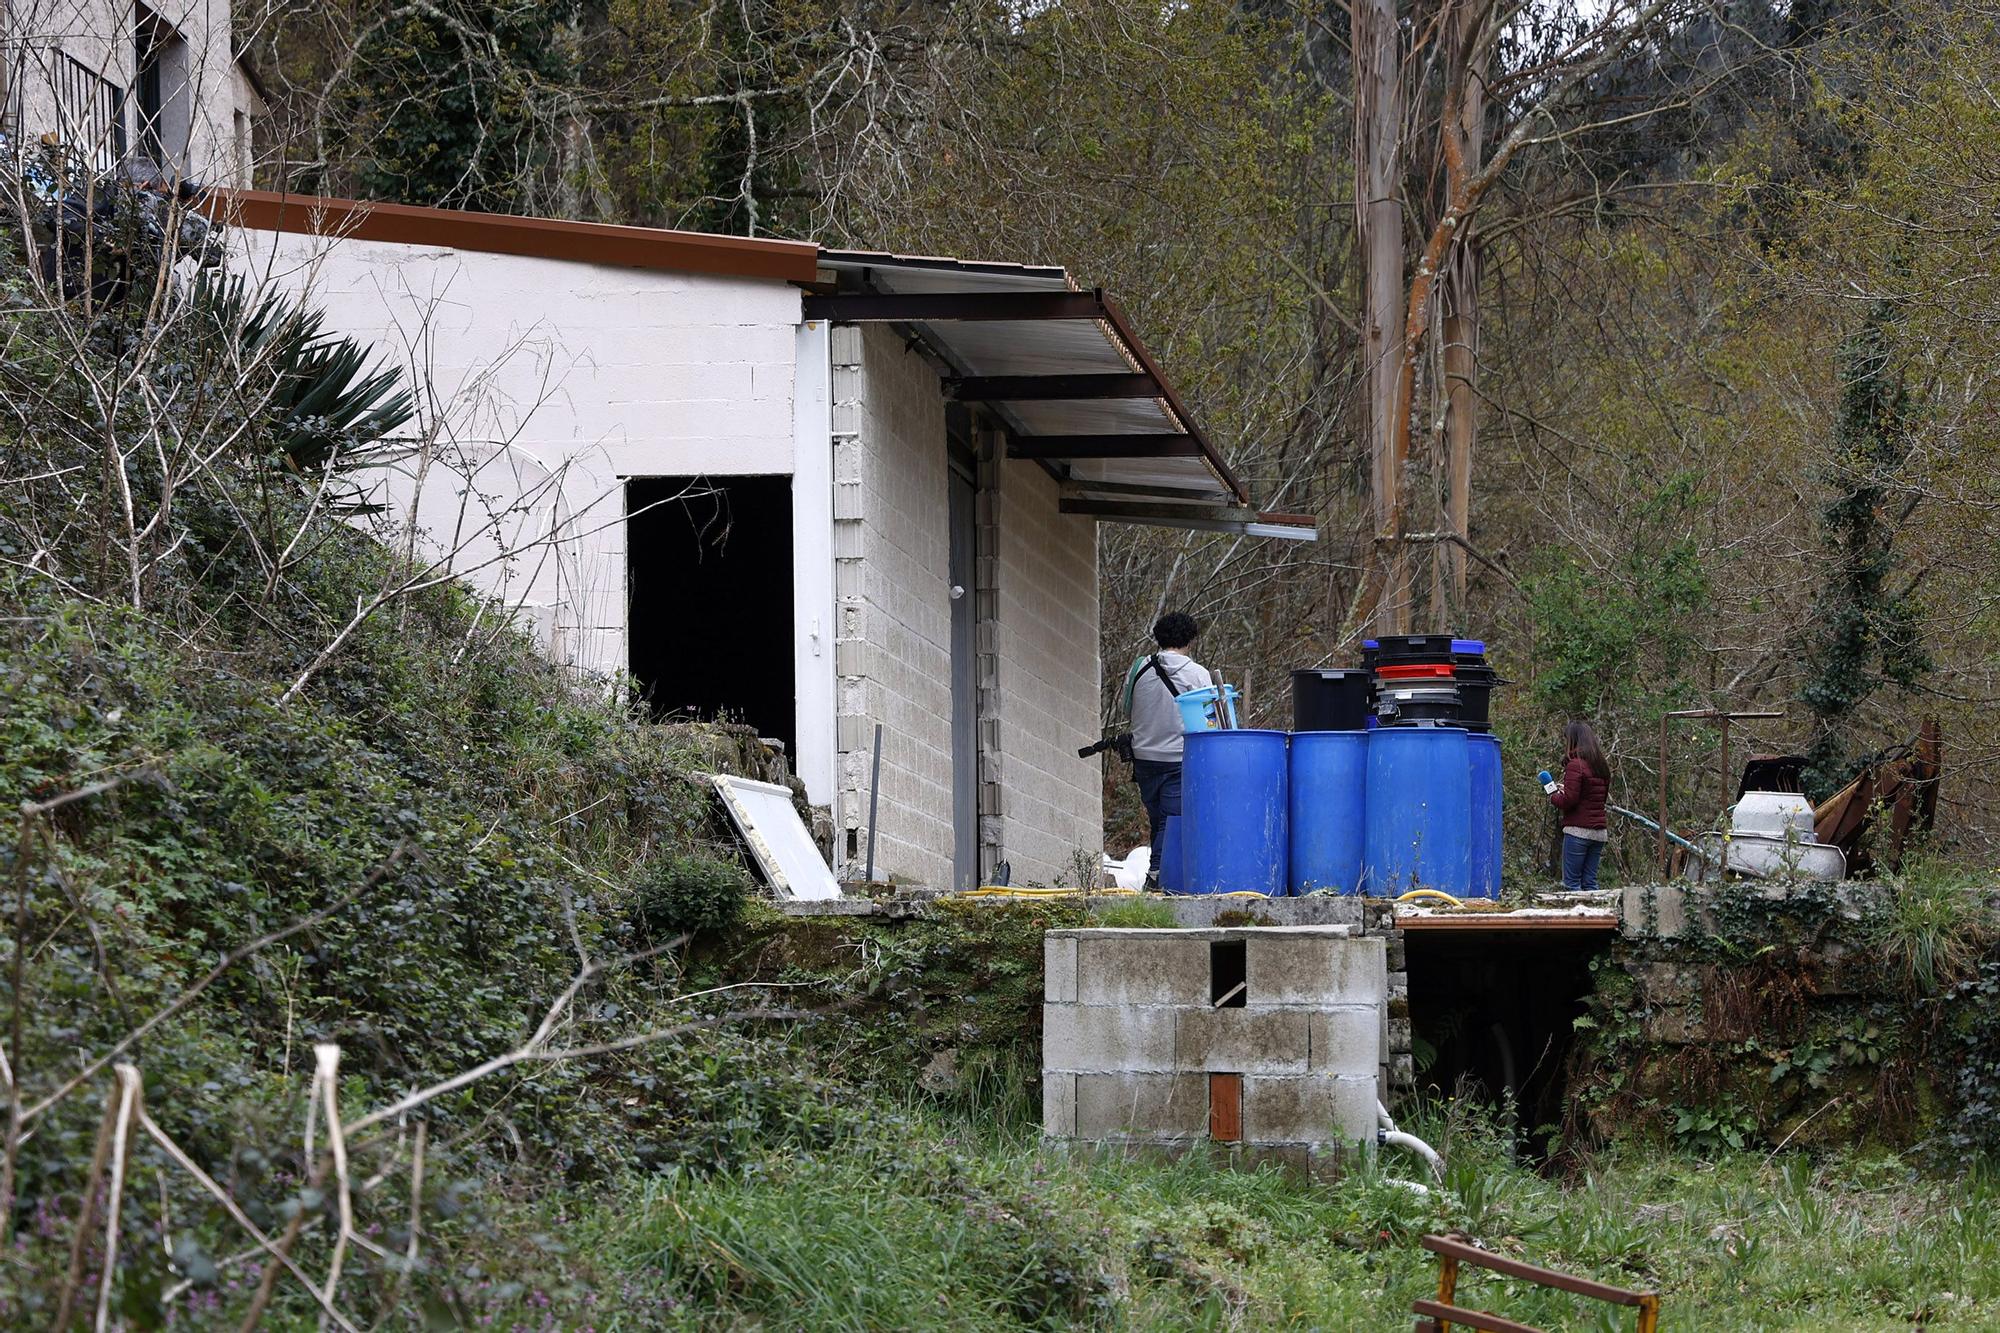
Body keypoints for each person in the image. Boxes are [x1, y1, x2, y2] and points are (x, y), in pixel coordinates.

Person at [1122, 612, 1214, 890]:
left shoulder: (1138, 668)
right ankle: (1157, 878)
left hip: (1143, 758)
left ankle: (1162, 876)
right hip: (1178, 758)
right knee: (1170, 823)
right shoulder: (1198, 674)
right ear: (1190, 640)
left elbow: (1128, 709)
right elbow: (1212, 719)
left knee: (1158, 821)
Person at [1550, 720, 1611, 892]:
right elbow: (1597, 797)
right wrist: (1566, 789)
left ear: (1572, 740)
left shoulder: (1575, 764)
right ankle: (1598, 917)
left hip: (1578, 831)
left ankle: (1579, 918)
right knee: (1590, 883)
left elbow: (1569, 801)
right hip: (1599, 832)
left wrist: (1553, 796)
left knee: (1572, 885)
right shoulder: (1601, 765)